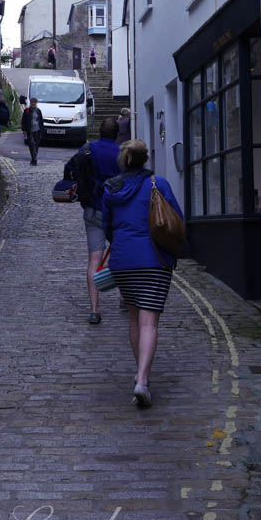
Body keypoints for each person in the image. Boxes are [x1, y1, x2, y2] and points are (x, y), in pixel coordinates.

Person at [102, 139, 183, 408]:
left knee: (135, 318)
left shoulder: (111, 188)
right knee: (149, 323)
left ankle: (140, 373)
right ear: (146, 158)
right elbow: (176, 221)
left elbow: (106, 226)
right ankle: (142, 380)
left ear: (124, 159)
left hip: (122, 261)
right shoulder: (159, 184)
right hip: (153, 260)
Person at [65, 117, 121, 325]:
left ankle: (95, 310)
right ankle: (125, 298)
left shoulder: (88, 149)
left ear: (99, 132)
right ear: (117, 134)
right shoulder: (122, 153)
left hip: (93, 209)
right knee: (122, 256)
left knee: (94, 261)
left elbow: (70, 168)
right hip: (116, 214)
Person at [21, 97, 44, 165]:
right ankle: (34, 159)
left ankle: (33, 159)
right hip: (30, 130)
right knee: (31, 145)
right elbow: (23, 120)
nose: (33, 103)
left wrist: (42, 130)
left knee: (36, 145)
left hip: (37, 130)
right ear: (30, 103)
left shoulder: (38, 111)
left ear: (36, 103)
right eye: (32, 102)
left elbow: (41, 121)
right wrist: (24, 129)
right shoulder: (27, 110)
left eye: (34, 102)